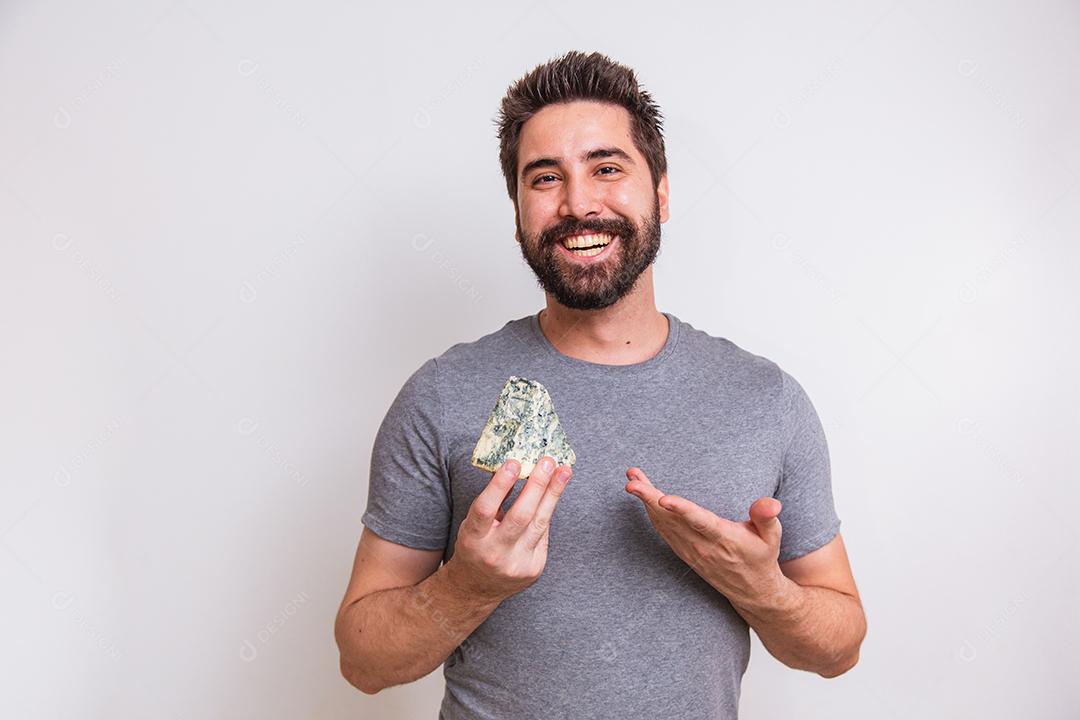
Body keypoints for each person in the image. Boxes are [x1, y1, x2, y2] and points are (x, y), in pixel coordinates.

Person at [335, 50, 866, 720]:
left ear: (662, 193)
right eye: (544, 179)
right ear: (518, 210)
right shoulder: (442, 395)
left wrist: (764, 590)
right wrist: (467, 585)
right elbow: (363, 663)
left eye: (606, 168)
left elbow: (838, 649)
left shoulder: (766, 400)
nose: (578, 203)